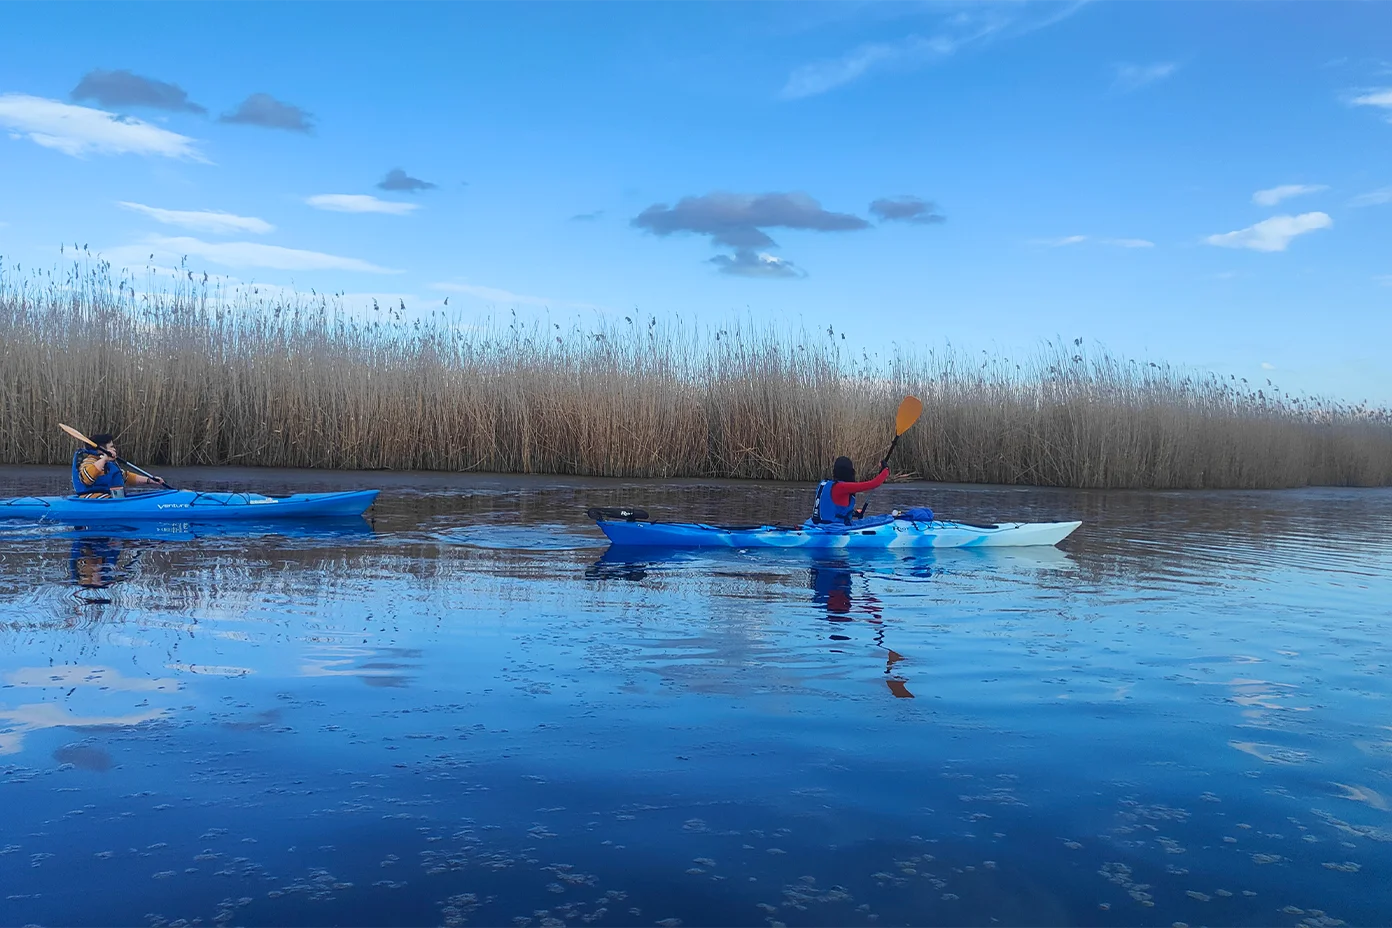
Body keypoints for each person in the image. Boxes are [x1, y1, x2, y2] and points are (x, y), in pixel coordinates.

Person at [71, 433, 165, 497]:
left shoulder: (108, 464)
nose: (114, 449)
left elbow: (125, 477)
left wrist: (150, 480)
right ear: (102, 450)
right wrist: (104, 459)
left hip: (109, 497)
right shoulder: (88, 461)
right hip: (91, 498)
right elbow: (86, 478)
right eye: (111, 447)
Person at [811, 455, 889, 524]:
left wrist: (853, 513)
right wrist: (886, 469)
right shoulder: (842, 487)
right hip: (834, 528)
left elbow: (829, 508)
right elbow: (873, 484)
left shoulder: (823, 484)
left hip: (817, 525)